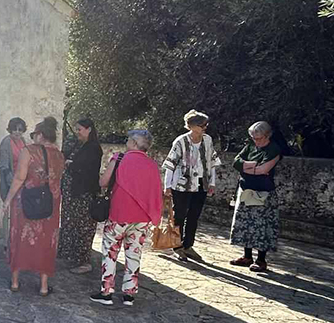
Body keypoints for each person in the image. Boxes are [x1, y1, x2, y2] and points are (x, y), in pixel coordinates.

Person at [90, 129, 163, 307]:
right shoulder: (152, 165)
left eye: (129, 140)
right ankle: (129, 295)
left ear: (134, 143)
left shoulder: (119, 158)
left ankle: (106, 292)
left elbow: (103, 182)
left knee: (110, 253)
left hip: (119, 213)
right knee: (134, 255)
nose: (127, 142)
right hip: (142, 217)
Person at [3, 116, 66, 295]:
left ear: (40, 135)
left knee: (20, 238)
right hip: (50, 204)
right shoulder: (59, 155)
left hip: (26, 202)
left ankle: (15, 282)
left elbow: (19, 178)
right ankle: (43, 286)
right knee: (46, 241)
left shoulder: (28, 151)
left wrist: (7, 200)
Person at [163, 109, 220, 262]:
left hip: (201, 184)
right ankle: (177, 246)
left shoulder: (208, 140)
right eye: (202, 125)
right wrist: (167, 186)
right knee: (179, 215)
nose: (205, 128)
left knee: (194, 216)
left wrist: (212, 182)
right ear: (192, 126)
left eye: (206, 125)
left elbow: (212, 162)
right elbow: (170, 164)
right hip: (181, 185)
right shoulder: (180, 141)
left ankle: (188, 245)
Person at [229, 121, 282, 273]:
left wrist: (246, 167)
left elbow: (264, 169)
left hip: (263, 193)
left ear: (267, 135)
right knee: (245, 224)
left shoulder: (273, 149)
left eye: (258, 138)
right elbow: (236, 162)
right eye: (253, 138)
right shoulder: (250, 146)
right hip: (246, 190)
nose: (256, 141)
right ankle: (247, 257)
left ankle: (261, 260)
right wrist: (254, 166)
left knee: (261, 226)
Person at [60, 118, 104, 274]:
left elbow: (85, 169)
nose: (77, 132)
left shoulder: (93, 148)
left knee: (83, 228)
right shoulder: (80, 145)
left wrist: (70, 164)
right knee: (73, 225)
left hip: (84, 195)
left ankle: (84, 262)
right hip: (73, 195)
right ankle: (73, 258)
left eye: (80, 129)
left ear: (89, 129)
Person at [0, 117, 27, 251]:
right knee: (7, 212)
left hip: (22, 181)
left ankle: (18, 239)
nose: (17, 132)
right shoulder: (6, 143)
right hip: (10, 181)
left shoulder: (23, 141)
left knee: (20, 212)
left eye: (20, 129)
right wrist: (13, 184)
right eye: (14, 129)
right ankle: (6, 242)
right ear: (10, 130)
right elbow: (4, 167)